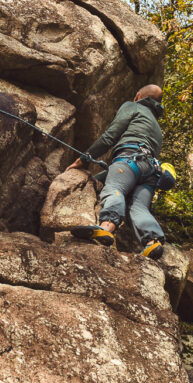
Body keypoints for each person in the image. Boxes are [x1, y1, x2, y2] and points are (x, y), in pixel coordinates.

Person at [66, 84, 167, 257]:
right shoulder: (157, 128)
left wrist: (82, 160)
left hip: (129, 158)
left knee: (114, 189)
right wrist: (98, 177)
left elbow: (110, 136)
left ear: (138, 95)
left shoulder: (133, 106)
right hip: (150, 171)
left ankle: (107, 227)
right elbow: (132, 173)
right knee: (139, 207)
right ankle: (153, 242)